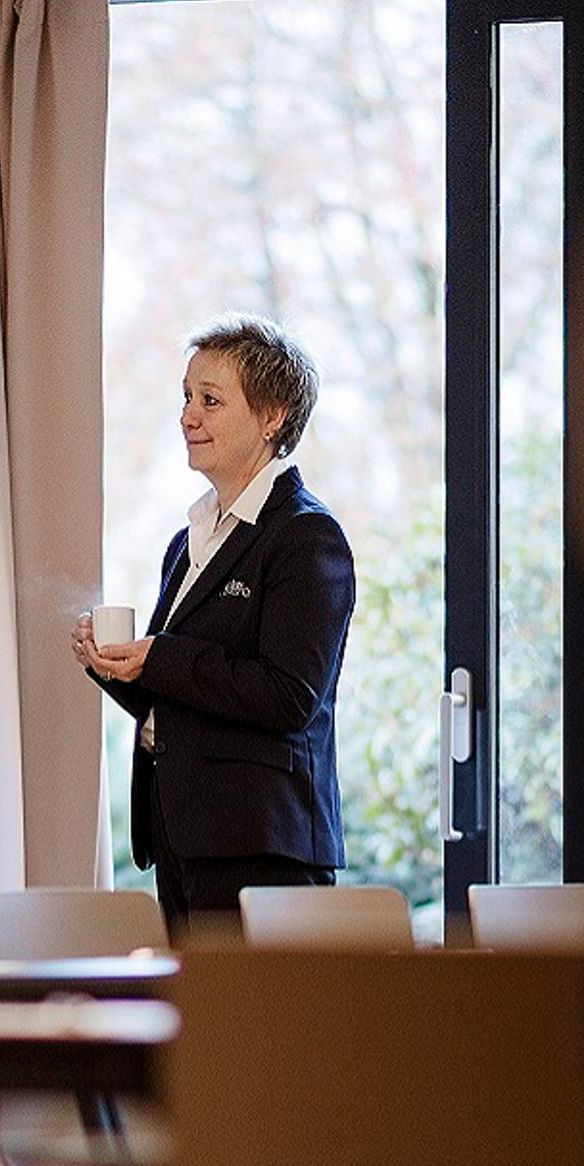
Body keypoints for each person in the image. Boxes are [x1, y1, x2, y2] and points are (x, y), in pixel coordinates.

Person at [74, 316, 357, 929]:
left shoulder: (307, 537)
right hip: (184, 839)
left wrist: (159, 656)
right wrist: (117, 665)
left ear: (273, 416)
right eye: (185, 397)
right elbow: (176, 690)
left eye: (209, 400)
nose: (187, 416)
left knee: (258, 1028)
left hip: (263, 846)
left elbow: (290, 696)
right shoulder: (188, 540)